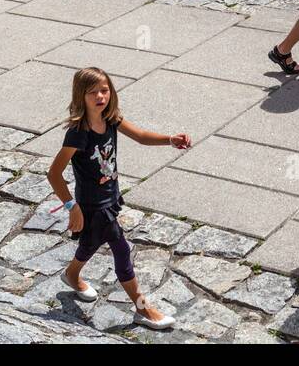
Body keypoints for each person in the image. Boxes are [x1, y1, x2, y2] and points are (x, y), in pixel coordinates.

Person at [46, 66, 192, 330]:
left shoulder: (111, 119)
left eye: (104, 90)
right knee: (121, 249)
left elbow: (141, 136)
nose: (101, 96)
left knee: (91, 243)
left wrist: (169, 140)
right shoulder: (78, 133)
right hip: (92, 204)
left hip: (110, 197)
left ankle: (71, 275)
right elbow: (54, 173)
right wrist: (72, 206)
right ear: (81, 96)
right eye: (93, 92)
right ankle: (143, 309)